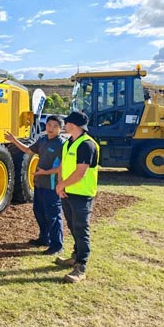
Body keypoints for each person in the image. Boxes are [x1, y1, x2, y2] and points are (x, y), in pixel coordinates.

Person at [5, 115, 65, 255]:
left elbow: (62, 168)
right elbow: (28, 150)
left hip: (52, 185)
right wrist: (14, 141)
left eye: (55, 126)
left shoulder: (62, 145)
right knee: (39, 212)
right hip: (39, 184)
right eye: (49, 125)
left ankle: (57, 246)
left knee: (53, 216)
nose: (51, 128)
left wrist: (45, 173)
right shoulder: (43, 140)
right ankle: (44, 238)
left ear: (60, 129)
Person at [55, 111, 100, 283]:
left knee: (81, 229)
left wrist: (62, 185)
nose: (64, 126)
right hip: (67, 191)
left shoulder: (87, 145)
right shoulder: (69, 143)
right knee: (73, 226)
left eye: (66, 123)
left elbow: (81, 172)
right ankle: (75, 255)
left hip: (82, 195)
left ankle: (81, 266)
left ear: (72, 125)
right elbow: (62, 165)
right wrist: (60, 185)